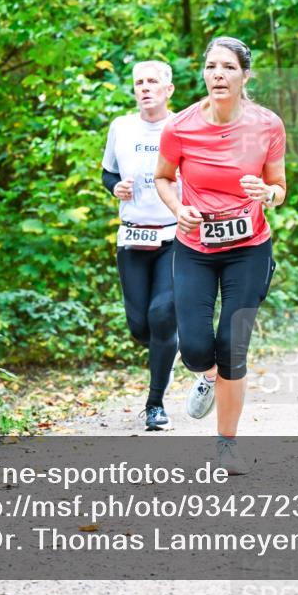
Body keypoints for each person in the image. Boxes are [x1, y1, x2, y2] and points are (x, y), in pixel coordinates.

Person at [154, 36, 286, 475]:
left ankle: (227, 444)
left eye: (228, 67)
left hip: (249, 249)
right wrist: (179, 210)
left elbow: (279, 187)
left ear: (245, 76)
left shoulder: (268, 125)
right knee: (194, 347)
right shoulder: (180, 126)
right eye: (211, 67)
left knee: (233, 346)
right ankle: (206, 377)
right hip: (194, 248)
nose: (218, 75)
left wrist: (268, 193)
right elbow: (163, 178)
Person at [101, 61, 179, 431]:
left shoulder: (182, 127)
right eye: (138, 83)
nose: (145, 88)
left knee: (162, 315)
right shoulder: (121, 127)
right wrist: (114, 186)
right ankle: (168, 347)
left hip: (174, 235)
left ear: (168, 89)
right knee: (139, 327)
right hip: (133, 235)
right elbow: (108, 171)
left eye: (152, 82)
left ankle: (155, 404)